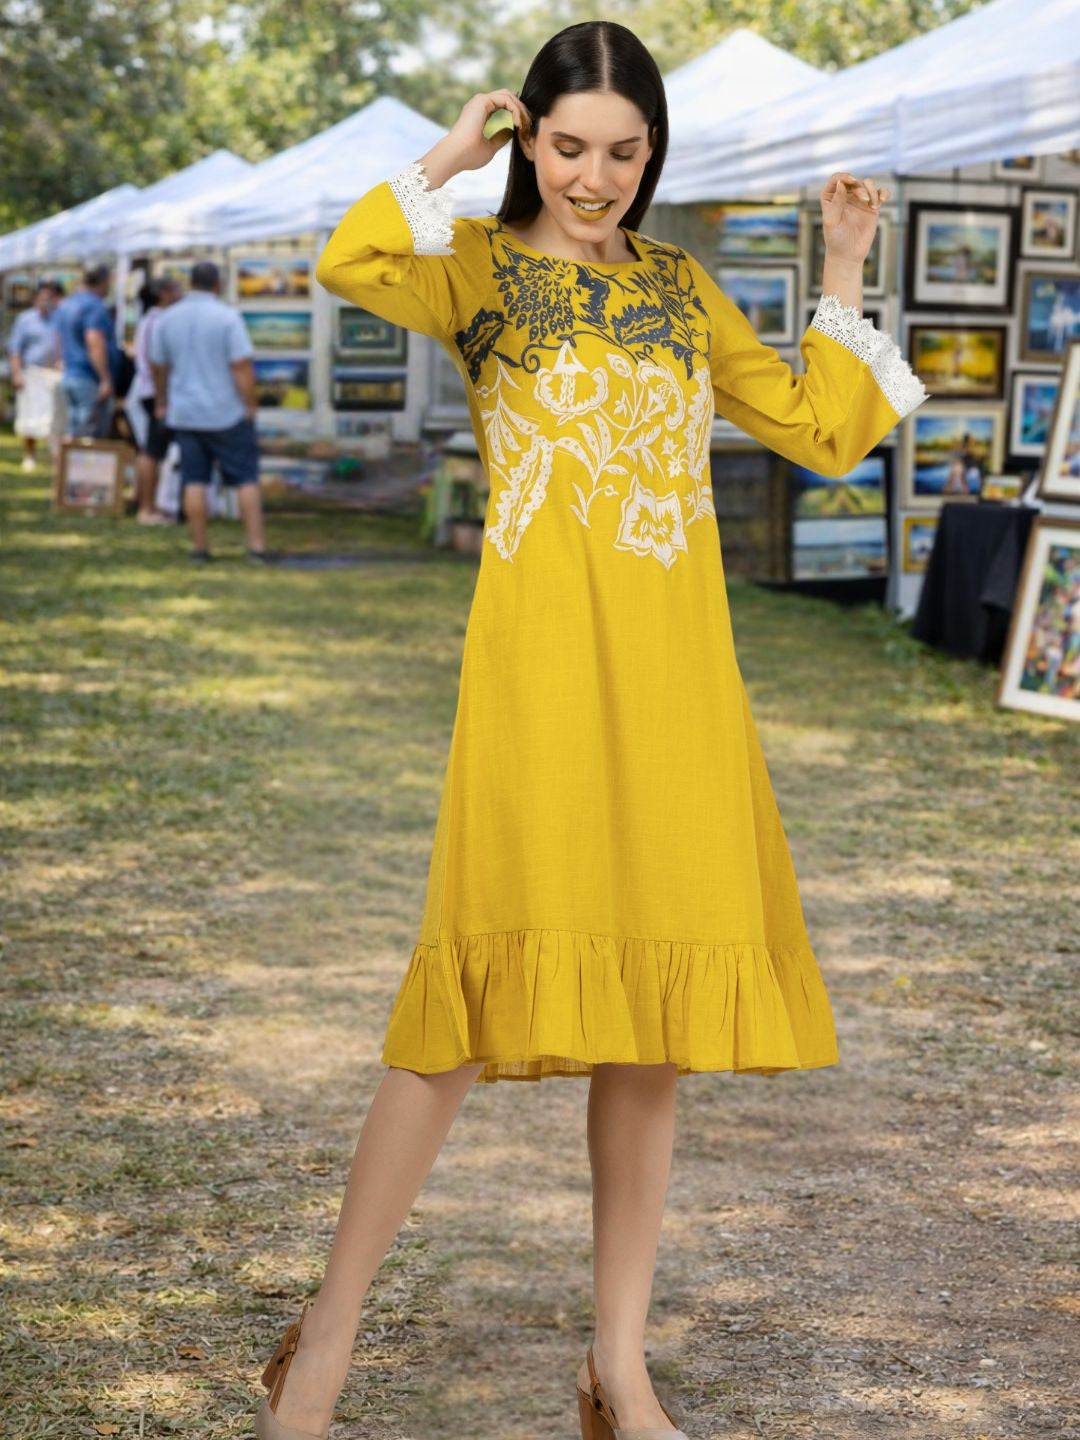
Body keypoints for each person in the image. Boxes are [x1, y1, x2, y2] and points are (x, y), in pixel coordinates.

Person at [253, 22, 930, 1440]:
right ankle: (324, 1341)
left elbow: (818, 429)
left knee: (650, 1033)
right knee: (461, 1008)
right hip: (539, 676)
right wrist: (451, 151)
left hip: (680, 683)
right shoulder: (478, 273)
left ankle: (618, 1371)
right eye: (569, 146)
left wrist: (850, 269)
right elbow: (348, 263)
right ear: (530, 140)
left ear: (652, 155)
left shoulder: (685, 292)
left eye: (625, 152)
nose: (597, 175)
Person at [148, 259, 271, 562]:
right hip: (225, 411)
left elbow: (158, 366)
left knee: (194, 480)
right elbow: (241, 366)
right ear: (218, 284)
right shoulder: (228, 318)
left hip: (186, 412)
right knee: (245, 479)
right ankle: (256, 547)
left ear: (191, 283)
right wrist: (251, 405)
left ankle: (200, 548)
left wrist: (162, 400)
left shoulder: (168, 318)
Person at [130, 275, 181, 524]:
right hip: (155, 393)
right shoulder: (158, 321)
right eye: (175, 287)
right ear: (163, 294)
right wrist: (162, 398)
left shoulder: (152, 320)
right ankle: (147, 508)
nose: (180, 293)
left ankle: (146, 502)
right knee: (153, 451)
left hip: (154, 392)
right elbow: (155, 363)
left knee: (152, 450)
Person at [54, 264, 119, 439]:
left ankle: (66, 465)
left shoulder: (68, 304)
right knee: (89, 438)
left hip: (71, 375)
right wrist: (105, 378)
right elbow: (94, 341)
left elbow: (58, 338)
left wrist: (61, 360)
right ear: (103, 282)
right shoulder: (94, 306)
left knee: (75, 432)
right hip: (89, 378)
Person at [6, 279, 63, 471]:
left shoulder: (58, 318)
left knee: (53, 418)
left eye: (50, 298)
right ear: (36, 299)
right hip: (31, 373)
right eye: (43, 298)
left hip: (53, 374)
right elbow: (15, 349)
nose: (46, 301)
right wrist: (16, 374)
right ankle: (29, 455)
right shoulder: (25, 319)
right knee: (29, 417)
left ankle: (55, 456)